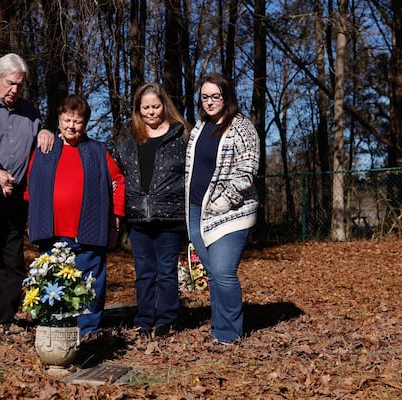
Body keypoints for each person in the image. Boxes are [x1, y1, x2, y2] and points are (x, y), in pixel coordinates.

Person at [26, 94, 125, 337]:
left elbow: (118, 181)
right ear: (58, 120)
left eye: (77, 121)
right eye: (67, 120)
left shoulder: (97, 151)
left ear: (85, 124)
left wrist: (116, 220)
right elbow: (31, 189)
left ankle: (88, 332)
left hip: (88, 232)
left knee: (89, 285)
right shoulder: (45, 149)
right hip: (53, 233)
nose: (71, 126)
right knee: (53, 285)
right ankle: (55, 333)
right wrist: (32, 218)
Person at [0, 53, 54, 327]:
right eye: (10, 83)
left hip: (15, 199)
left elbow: (41, 141)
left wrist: (46, 131)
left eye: (20, 85)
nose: (15, 89)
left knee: (12, 261)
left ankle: (5, 320)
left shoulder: (29, 111)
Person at [110, 82, 190, 338]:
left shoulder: (182, 134)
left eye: (155, 106)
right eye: (146, 108)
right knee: (144, 272)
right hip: (137, 216)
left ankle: (167, 319)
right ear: (138, 109)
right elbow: (113, 166)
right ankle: (144, 319)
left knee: (166, 271)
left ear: (164, 105)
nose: (151, 112)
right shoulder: (127, 134)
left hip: (170, 215)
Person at [185, 73, 260, 344]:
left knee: (223, 271)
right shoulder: (199, 127)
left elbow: (247, 168)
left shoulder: (241, 127)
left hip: (231, 211)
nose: (210, 102)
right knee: (214, 274)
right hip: (197, 209)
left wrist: (226, 199)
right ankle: (219, 327)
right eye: (205, 97)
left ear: (226, 97)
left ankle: (229, 334)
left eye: (215, 96)